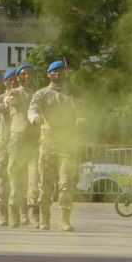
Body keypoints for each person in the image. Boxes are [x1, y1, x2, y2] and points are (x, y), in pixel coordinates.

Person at [28, 60, 80, 231]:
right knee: (46, 184)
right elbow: (33, 108)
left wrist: (81, 119)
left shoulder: (72, 94)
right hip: (48, 142)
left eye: (61, 71)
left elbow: (81, 111)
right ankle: (44, 218)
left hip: (67, 142)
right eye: (54, 71)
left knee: (66, 183)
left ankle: (65, 220)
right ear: (48, 74)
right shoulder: (41, 94)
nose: (58, 74)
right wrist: (35, 117)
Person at [5, 62, 39, 228]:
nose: (26, 77)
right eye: (23, 74)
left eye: (29, 74)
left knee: (34, 178)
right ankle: (14, 213)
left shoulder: (37, 94)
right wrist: (9, 101)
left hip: (33, 140)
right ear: (18, 77)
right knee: (16, 177)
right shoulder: (14, 92)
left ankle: (33, 212)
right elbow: (7, 100)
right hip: (17, 139)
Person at [0, 68, 17, 226]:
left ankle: (19, 213)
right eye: (10, 80)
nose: (13, 82)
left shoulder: (23, 96)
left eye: (15, 79)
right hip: (4, 141)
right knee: (1, 178)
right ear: (5, 82)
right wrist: (6, 103)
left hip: (20, 142)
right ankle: (0, 213)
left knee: (18, 177)